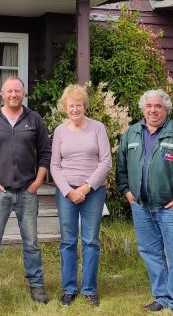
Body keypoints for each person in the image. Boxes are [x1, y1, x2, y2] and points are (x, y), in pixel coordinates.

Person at [116, 89, 173, 316]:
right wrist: (126, 191)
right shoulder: (131, 133)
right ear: (143, 108)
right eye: (149, 106)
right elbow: (121, 167)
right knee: (151, 253)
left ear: (166, 109)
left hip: (171, 208)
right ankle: (162, 296)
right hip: (141, 207)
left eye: (158, 106)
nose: (153, 110)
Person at [0, 76, 52, 306]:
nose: (13, 95)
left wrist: (37, 182)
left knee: (32, 243)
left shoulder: (34, 119)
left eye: (18, 91)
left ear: (24, 94)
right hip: (0, 191)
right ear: (2, 93)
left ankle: (37, 287)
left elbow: (45, 152)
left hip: (28, 191)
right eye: (9, 91)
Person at [50, 85, 112, 307]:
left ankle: (89, 289)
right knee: (67, 241)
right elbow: (55, 165)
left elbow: (106, 162)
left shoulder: (97, 128)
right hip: (66, 193)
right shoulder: (59, 131)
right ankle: (69, 289)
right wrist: (68, 190)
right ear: (65, 107)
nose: (74, 109)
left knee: (90, 241)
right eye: (70, 105)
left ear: (84, 106)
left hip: (93, 192)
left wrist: (85, 188)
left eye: (78, 105)